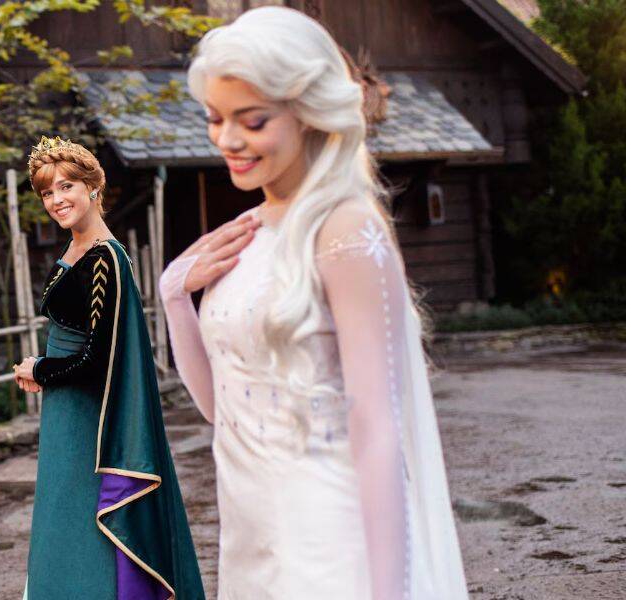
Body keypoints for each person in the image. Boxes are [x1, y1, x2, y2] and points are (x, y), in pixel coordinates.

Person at [159, 7, 469, 599]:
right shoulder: (247, 230)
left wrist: (389, 592)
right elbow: (223, 410)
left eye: (252, 121)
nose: (228, 140)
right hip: (252, 533)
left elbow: (377, 426)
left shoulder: (346, 230)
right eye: (215, 118)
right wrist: (176, 294)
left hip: (331, 540)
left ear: (306, 114)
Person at [12, 136, 205, 599]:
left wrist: (41, 371)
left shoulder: (104, 257)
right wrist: (45, 373)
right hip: (69, 414)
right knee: (65, 519)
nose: (57, 199)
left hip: (92, 422)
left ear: (93, 187)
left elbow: (98, 360)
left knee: (84, 522)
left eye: (67, 186)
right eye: (46, 192)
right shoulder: (75, 252)